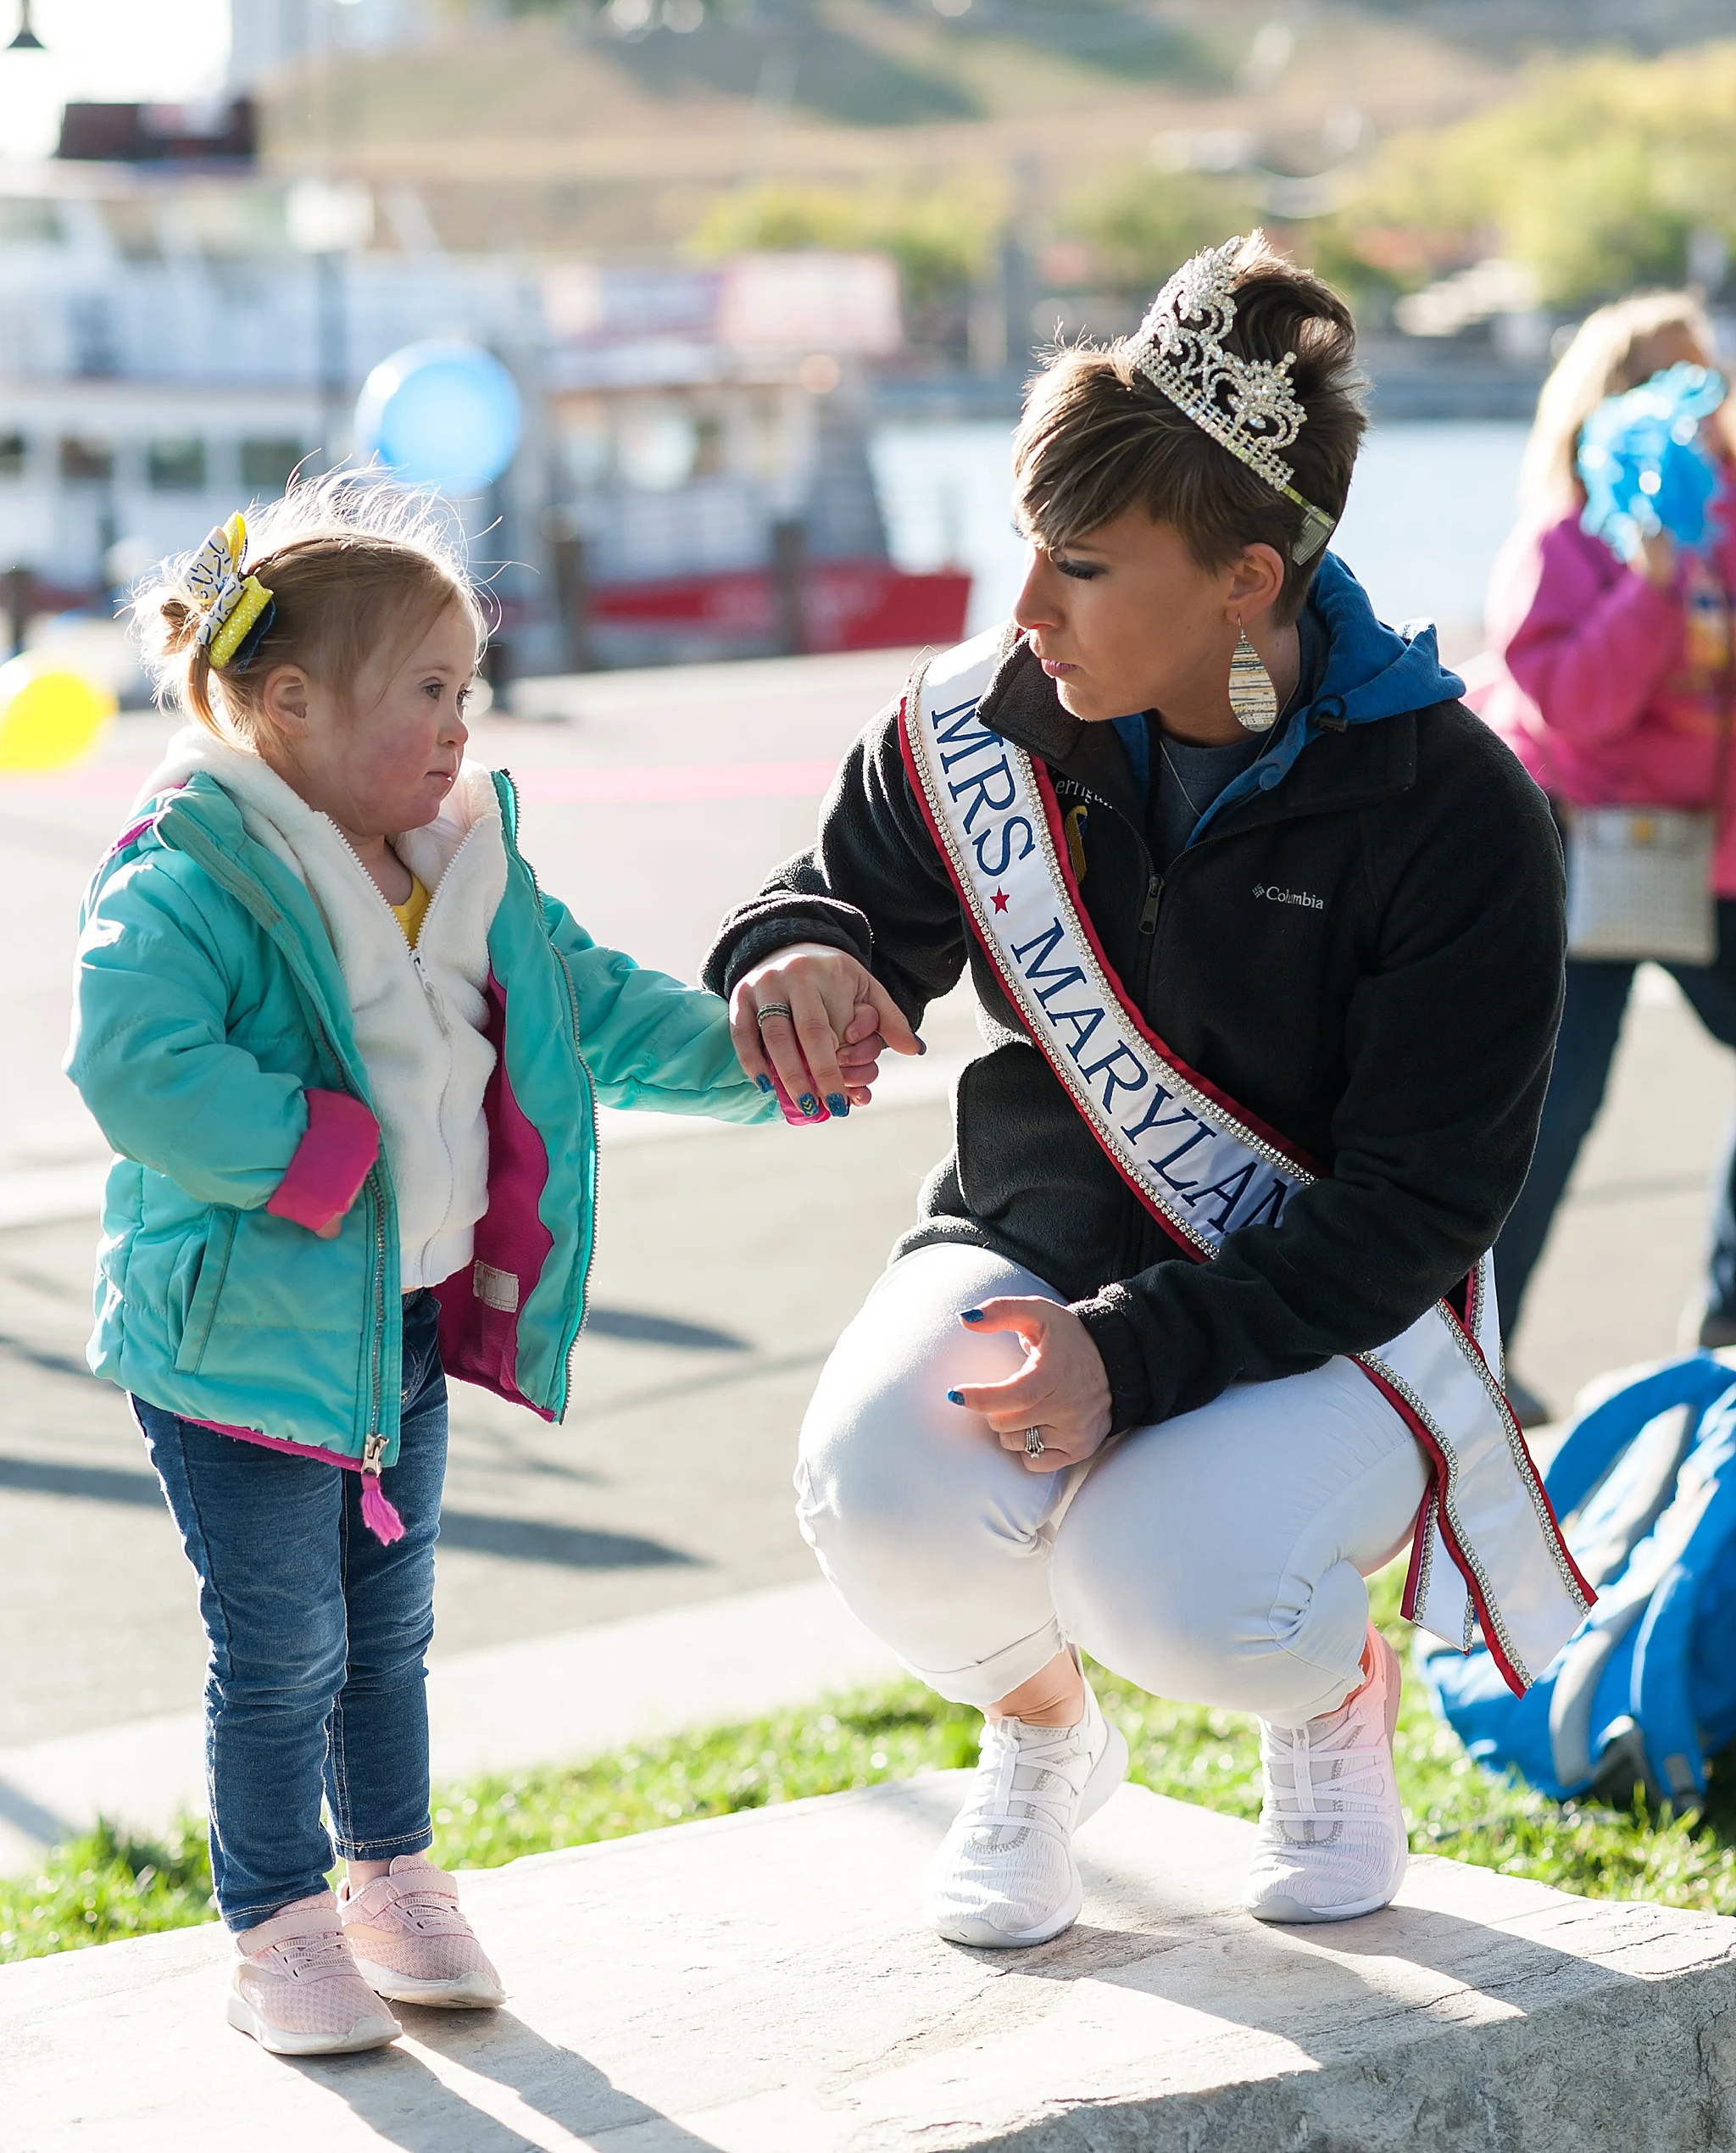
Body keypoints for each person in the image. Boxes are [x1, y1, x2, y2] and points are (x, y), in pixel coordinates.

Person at [702, 233, 1589, 1949]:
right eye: (1030, 546)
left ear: (1246, 577)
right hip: (1027, 1237)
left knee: (1165, 1583)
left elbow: (1422, 1203)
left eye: (1083, 565)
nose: (1025, 607)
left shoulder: (1455, 809)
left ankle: (1326, 1698)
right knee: (872, 1484)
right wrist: (794, 944)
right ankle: (1041, 1733)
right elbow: (842, 886)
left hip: (1325, 1316)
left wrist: (1131, 1353)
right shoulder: (998, 709)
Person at [66, 476, 802, 2056]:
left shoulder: (455, 864)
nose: (460, 724)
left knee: (386, 1632)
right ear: (283, 705)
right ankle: (275, 1922)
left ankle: (391, 1875)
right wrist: (324, 1156)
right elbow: (133, 1060)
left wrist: (754, 1060)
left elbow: (587, 1001)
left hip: (393, 1323)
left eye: (465, 689)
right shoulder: (194, 867)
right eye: (424, 692)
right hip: (244, 1343)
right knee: (281, 1647)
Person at [1475, 292, 1736, 1421]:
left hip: (1708, 854)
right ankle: (1474, 1361)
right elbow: (1576, 706)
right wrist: (1651, 580)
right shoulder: (1562, 544)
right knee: (1551, 1103)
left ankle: (1727, 1317)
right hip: (1580, 847)